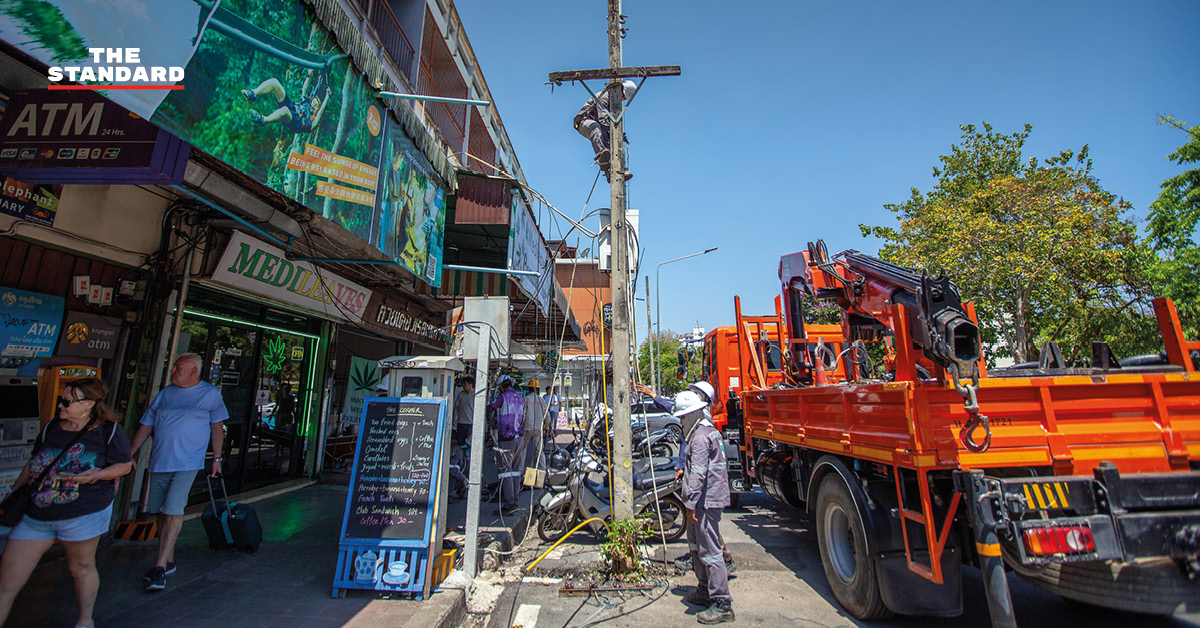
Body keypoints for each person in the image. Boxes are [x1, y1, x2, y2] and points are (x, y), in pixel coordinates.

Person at [0, 378, 133, 628]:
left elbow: (124, 465)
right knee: (7, 580)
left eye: (67, 401)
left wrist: (97, 474)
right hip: (37, 512)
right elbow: (34, 463)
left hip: (81, 513)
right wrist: (14, 493)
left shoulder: (108, 430)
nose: (60, 406)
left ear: (89, 404)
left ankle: (85, 620)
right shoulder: (52, 427)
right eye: (62, 399)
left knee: (81, 567)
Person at [130, 353, 227, 592]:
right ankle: (169, 558)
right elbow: (146, 426)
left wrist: (216, 459)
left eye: (178, 368)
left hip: (188, 463)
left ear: (194, 371)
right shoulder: (165, 394)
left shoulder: (210, 395)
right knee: (161, 512)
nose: (172, 371)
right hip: (160, 461)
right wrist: (129, 453)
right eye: (173, 367)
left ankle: (160, 567)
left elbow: (217, 428)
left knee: (173, 510)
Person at [674, 390, 735, 624]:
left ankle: (722, 602)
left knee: (709, 550)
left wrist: (689, 503)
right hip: (705, 499)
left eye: (682, 417)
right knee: (696, 545)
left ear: (692, 414)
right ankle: (704, 588)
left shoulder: (700, 437)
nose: (681, 421)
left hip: (705, 502)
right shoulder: (706, 432)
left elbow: (698, 475)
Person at [573, 79, 636, 181]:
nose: (623, 99)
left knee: (612, 144)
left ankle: (615, 170)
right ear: (620, 90)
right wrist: (615, 133)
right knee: (596, 129)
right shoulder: (603, 96)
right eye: (623, 96)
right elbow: (603, 119)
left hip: (601, 126)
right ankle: (603, 160)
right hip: (584, 122)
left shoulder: (614, 104)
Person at [242, 72, 330, 133]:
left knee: (284, 110)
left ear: (317, 110)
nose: (314, 105)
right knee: (274, 82)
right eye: (314, 102)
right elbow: (305, 87)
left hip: (294, 122)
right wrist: (310, 73)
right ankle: (253, 94)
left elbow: (320, 114)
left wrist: (327, 96)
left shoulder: (313, 122)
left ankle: (264, 120)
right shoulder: (305, 103)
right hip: (291, 106)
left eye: (316, 106)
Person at [487, 375, 524, 516]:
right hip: (519, 438)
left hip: (506, 438)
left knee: (505, 471)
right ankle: (515, 499)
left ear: (502, 386)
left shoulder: (502, 397)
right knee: (515, 470)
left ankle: (508, 503)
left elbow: (492, 407)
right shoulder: (520, 398)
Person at [522, 379, 547, 469]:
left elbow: (523, 414)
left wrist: (521, 426)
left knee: (523, 450)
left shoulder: (526, 399)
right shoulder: (541, 400)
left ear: (529, 389)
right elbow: (546, 415)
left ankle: (520, 472)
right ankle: (543, 471)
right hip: (538, 429)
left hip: (527, 428)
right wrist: (547, 427)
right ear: (537, 389)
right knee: (539, 451)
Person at [454, 379, 475, 446]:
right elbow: (456, 406)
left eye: (465, 384)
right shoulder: (461, 395)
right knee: (460, 442)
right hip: (461, 422)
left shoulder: (475, 395)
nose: (463, 386)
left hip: (471, 423)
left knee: (469, 443)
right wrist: (454, 418)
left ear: (470, 385)